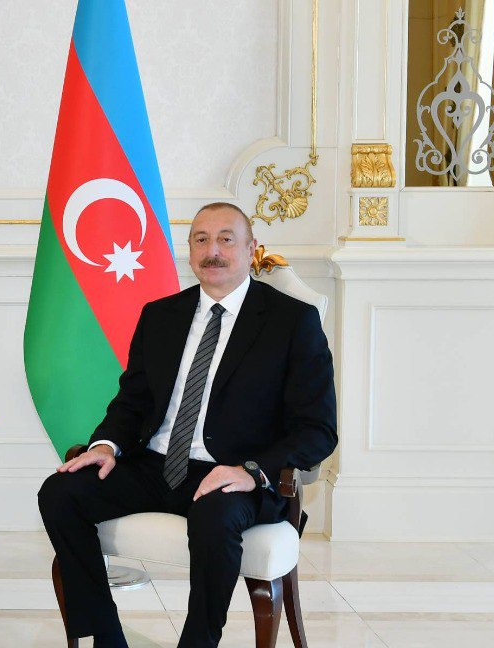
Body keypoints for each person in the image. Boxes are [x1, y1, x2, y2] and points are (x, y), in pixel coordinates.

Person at [37, 202, 337, 648]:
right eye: (201, 240)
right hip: (157, 463)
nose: (212, 251)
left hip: (234, 474)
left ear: (251, 248)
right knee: (60, 492)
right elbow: (133, 401)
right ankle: (107, 637)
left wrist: (252, 471)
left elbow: (318, 429)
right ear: (190, 250)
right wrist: (105, 446)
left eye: (226, 239)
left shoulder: (292, 321)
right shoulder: (161, 315)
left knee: (215, 518)